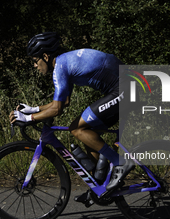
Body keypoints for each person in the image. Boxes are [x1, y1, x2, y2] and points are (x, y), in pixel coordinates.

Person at [9, 32, 134, 199]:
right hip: (125, 87)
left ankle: (120, 163)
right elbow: (63, 101)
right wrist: (33, 109)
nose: (34, 65)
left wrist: (28, 118)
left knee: (76, 128)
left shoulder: (60, 66)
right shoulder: (66, 62)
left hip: (124, 89)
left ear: (45, 56)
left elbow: (57, 109)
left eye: (35, 60)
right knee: (89, 131)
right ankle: (100, 186)